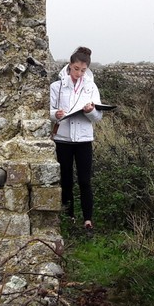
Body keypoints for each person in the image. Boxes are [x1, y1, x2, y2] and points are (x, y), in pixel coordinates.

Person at [49, 46, 102, 232]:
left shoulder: (91, 87)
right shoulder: (56, 86)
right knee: (65, 180)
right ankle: (68, 216)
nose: (79, 73)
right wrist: (57, 114)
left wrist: (91, 111)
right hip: (62, 139)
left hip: (84, 140)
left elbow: (98, 117)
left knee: (85, 181)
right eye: (76, 69)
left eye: (83, 70)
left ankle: (88, 219)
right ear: (69, 66)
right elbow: (48, 112)